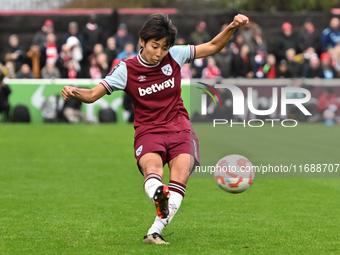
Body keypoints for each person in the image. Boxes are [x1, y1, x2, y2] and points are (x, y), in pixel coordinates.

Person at [62, 13, 249, 244]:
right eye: (154, 46)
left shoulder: (176, 55)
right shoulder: (126, 70)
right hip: (149, 131)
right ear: (142, 41)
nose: (159, 53)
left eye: (164, 47)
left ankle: (154, 231)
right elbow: (91, 95)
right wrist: (74, 91)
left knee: (180, 175)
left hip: (180, 127)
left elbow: (213, 45)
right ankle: (158, 200)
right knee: (154, 169)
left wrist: (232, 26)